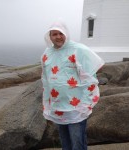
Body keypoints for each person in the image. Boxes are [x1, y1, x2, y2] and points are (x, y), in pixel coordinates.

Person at [41, 20, 104, 150]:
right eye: (54, 34)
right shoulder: (47, 54)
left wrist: (81, 82)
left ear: (66, 34)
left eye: (60, 33)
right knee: (65, 141)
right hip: (58, 105)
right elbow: (46, 79)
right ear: (50, 36)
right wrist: (48, 103)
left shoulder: (78, 49)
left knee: (77, 141)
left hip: (77, 106)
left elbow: (97, 65)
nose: (58, 37)